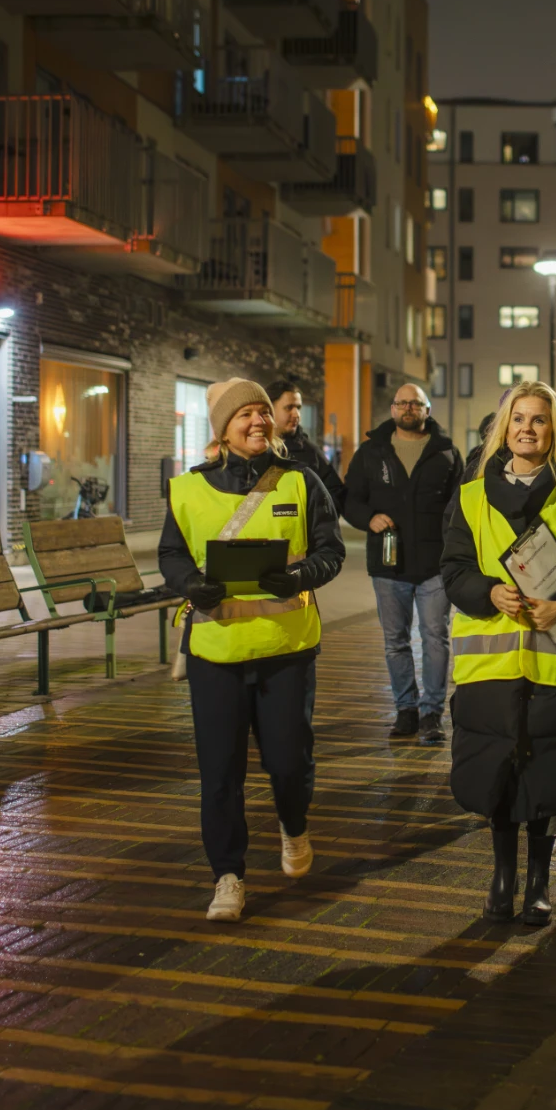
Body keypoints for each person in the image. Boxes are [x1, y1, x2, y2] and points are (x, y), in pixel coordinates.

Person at [159, 379, 346, 923]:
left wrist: (301, 576)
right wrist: (190, 585)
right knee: (220, 773)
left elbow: (331, 551)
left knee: (288, 764)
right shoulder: (188, 490)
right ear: (222, 428)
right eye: (245, 415)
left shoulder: (301, 482)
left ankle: (293, 823)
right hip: (215, 651)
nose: (258, 422)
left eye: (263, 412)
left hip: (286, 647)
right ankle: (228, 875)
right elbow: (172, 554)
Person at [442, 381, 556, 926]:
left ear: (555, 430)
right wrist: (488, 593)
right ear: (504, 428)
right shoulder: (469, 496)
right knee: (499, 774)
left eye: (539, 420)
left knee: (545, 778)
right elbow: (453, 570)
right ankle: (502, 877)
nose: (527, 428)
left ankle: (540, 881)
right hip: (492, 666)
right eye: (518, 418)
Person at [342, 384, 462, 744]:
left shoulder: (446, 453)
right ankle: (406, 710)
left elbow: (459, 508)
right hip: (388, 564)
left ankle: (431, 714)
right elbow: (350, 500)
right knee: (395, 641)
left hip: (435, 566)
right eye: (402, 403)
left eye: (416, 403)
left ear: (428, 409)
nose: (409, 408)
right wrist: (369, 518)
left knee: (435, 639)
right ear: (393, 409)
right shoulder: (370, 452)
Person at [267, 379, 346, 514]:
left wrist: (315, 521)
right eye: (289, 407)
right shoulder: (254, 448)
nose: (296, 414)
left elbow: (335, 493)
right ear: (270, 409)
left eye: (298, 408)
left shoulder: (310, 452)